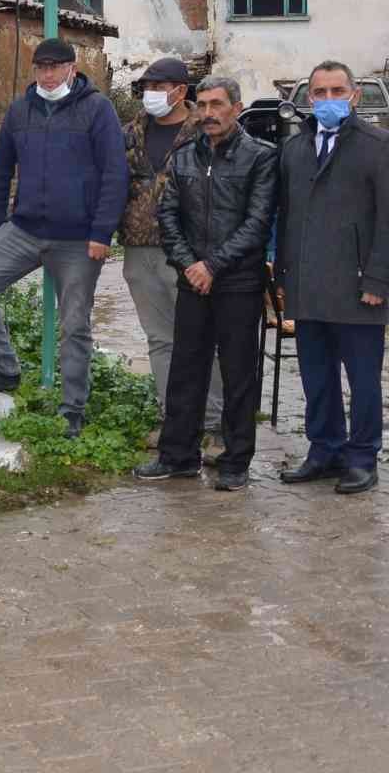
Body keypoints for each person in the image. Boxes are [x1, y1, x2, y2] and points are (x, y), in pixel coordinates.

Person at [0, 37, 127, 437]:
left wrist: (102, 232)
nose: (48, 75)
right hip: (26, 229)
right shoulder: (21, 110)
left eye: (56, 66)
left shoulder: (97, 109)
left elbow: (115, 175)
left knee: (75, 323)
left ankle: (72, 409)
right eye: (41, 67)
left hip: (79, 239)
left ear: (72, 67)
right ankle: (4, 367)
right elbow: (0, 172)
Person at [133, 77, 276, 491]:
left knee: (237, 374)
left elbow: (257, 222)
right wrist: (190, 264)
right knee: (185, 369)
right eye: (204, 106)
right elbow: (168, 217)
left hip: (239, 283)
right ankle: (177, 456)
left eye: (218, 105)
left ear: (236, 106)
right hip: (192, 280)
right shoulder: (183, 158)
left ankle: (235, 460)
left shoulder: (260, 157)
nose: (209, 114)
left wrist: (213, 265)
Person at [274, 60, 389, 495]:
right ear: (307, 98)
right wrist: (283, 273)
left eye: (336, 92)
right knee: (316, 376)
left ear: (354, 96)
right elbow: (285, 217)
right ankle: (324, 450)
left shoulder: (378, 146)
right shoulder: (295, 149)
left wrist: (379, 279)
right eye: (318, 93)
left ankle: (362, 457)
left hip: (359, 287)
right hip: (307, 285)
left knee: (362, 381)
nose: (327, 100)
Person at [119, 57, 223, 453]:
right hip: (140, 246)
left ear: (180, 91)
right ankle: (173, 420)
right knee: (160, 340)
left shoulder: (206, 129)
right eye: (147, 87)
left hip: (191, 252)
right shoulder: (131, 132)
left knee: (202, 338)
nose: (151, 94)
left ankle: (214, 423)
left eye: (159, 86)